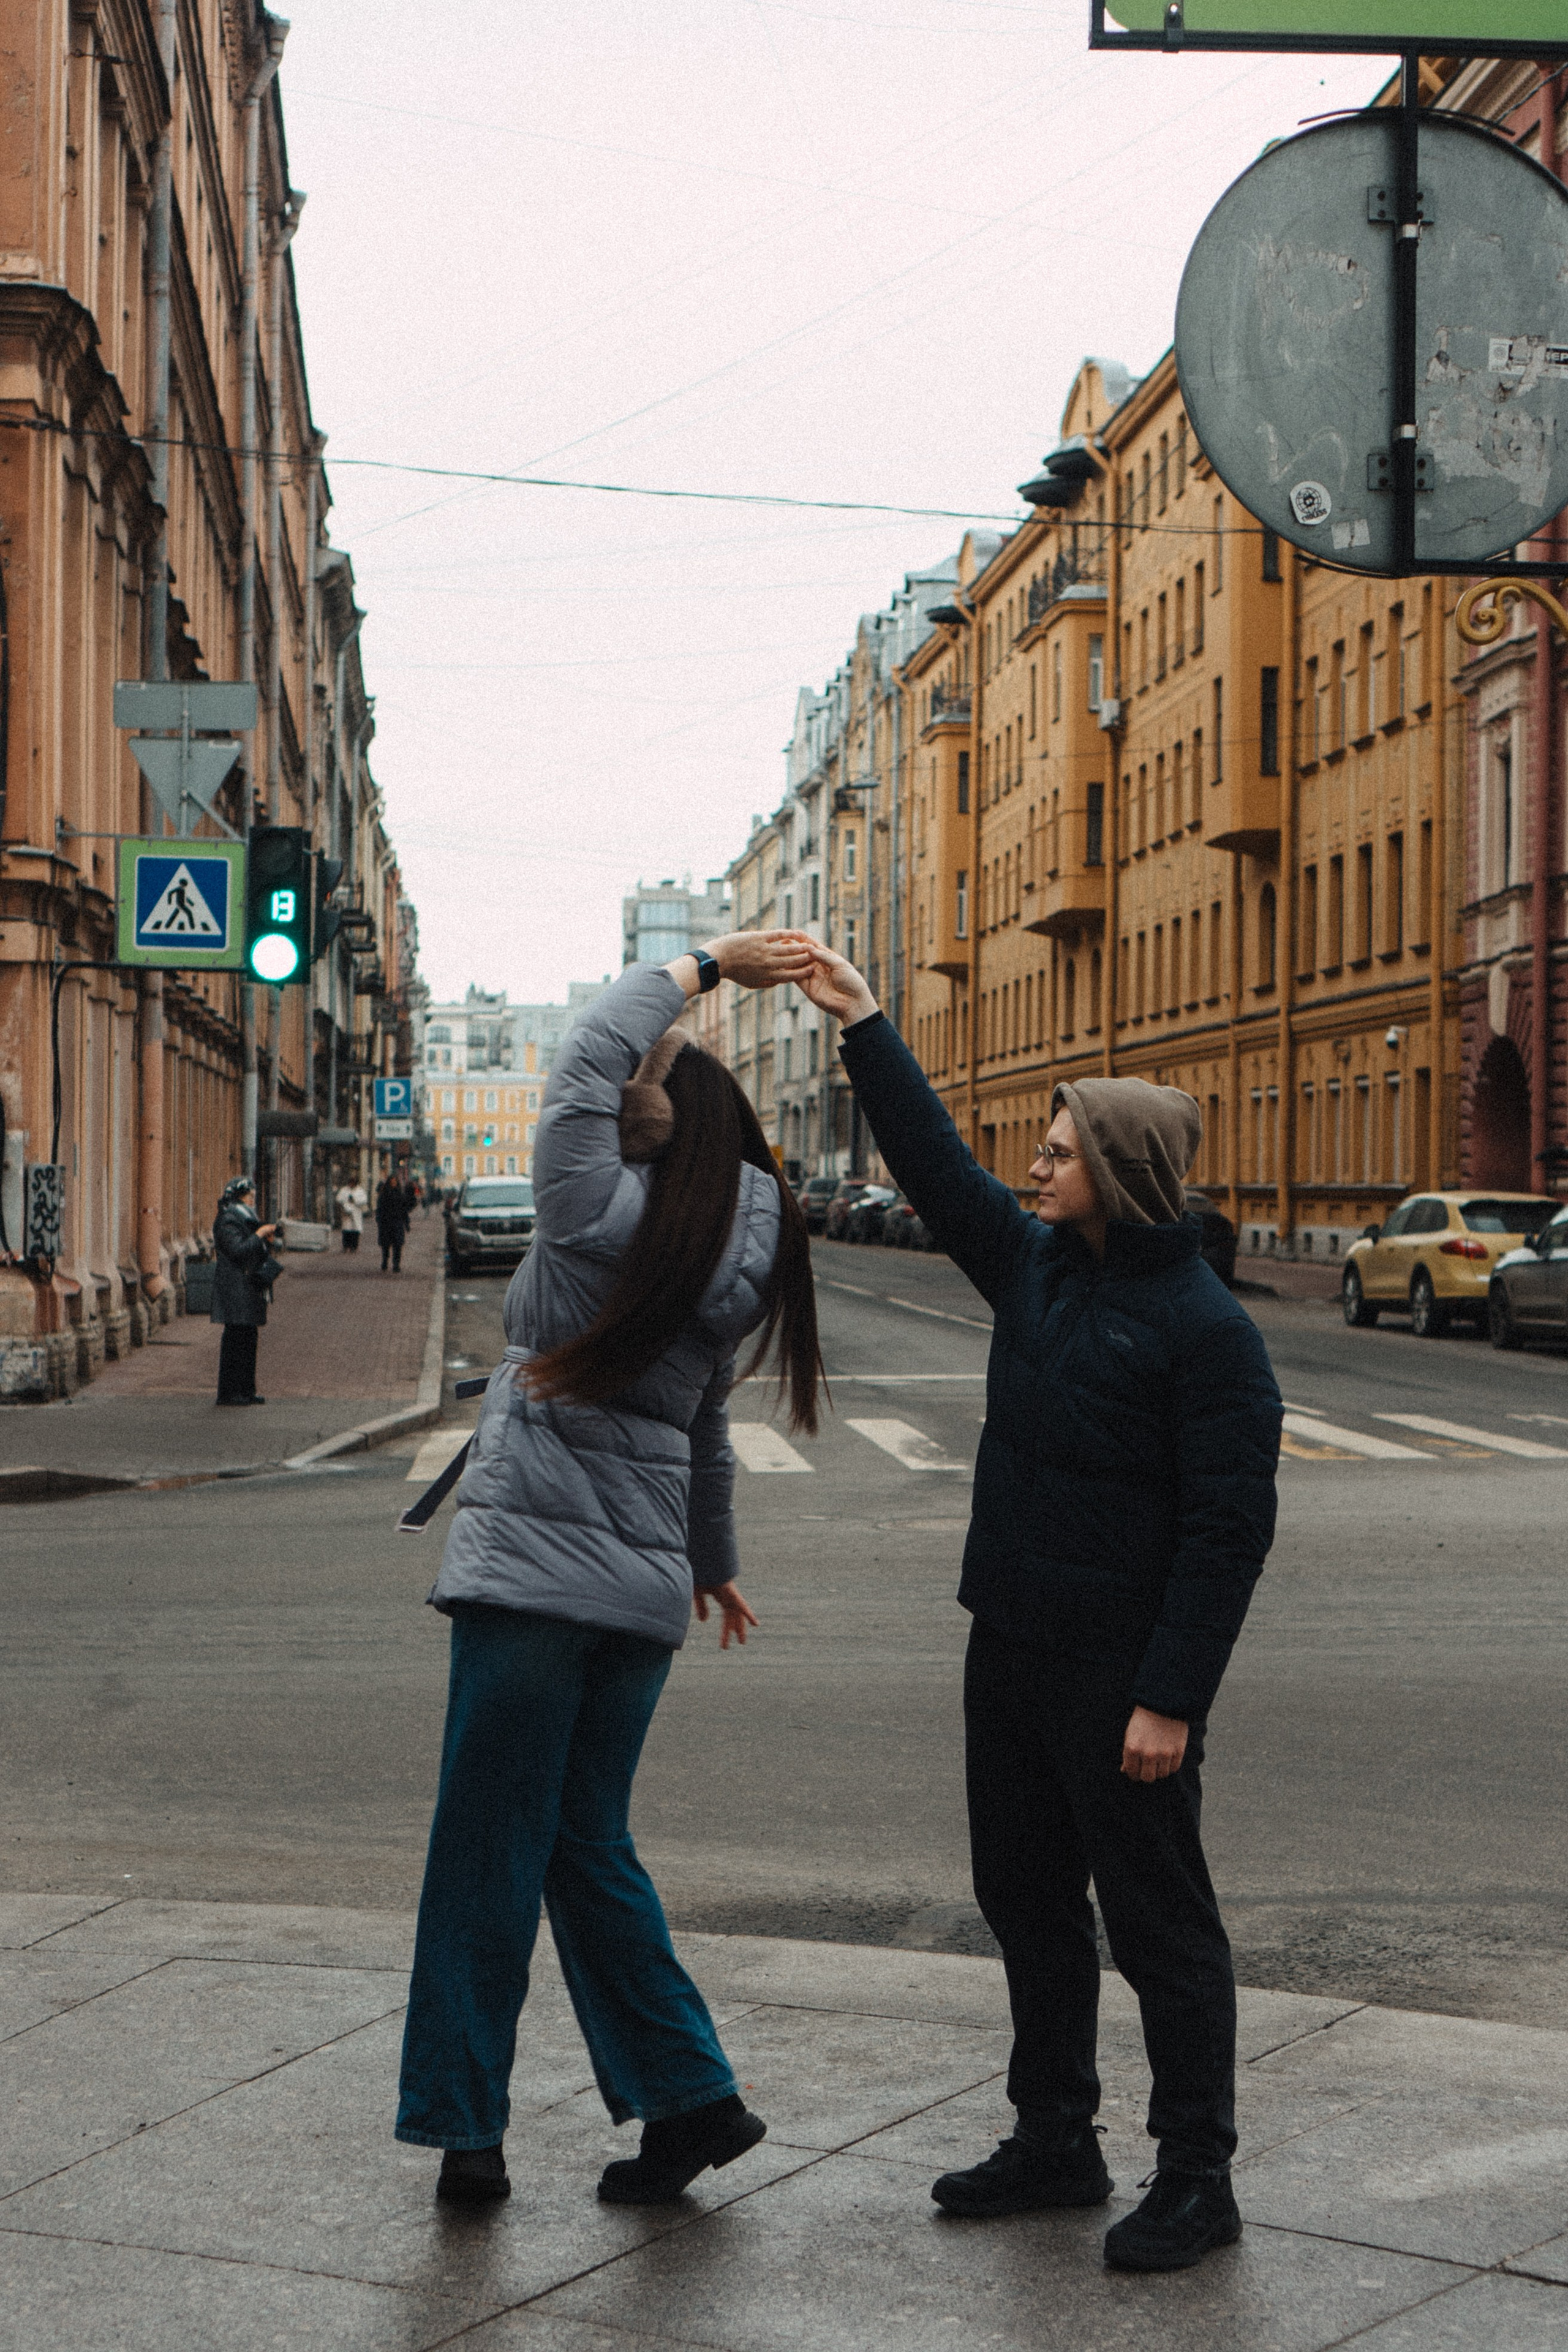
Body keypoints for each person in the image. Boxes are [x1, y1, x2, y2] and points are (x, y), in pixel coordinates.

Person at [794, 940, 1281, 2276]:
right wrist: (864, 1025)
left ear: (1115, 1172)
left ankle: (1198, 2177)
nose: (1035, 1166)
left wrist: (1169, 1697)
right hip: (1006, 1644)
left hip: (1120, 1674)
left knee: (1161, 1931)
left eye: (1058, 1151)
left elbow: (1228, 1533)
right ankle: (1055, 2137)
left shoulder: (1203, 1332)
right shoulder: (1035, 1273)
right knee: (1023, 1901)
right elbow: (939, 1174)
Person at [396, 932, 821, 2210]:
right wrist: (710, 1564)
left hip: (528, 1580)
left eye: (651, 1080)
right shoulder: (733, 1252)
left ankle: (468, 2132)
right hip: (636, 1600)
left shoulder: (588, 1208)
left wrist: (700, 966)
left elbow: (583, 1054)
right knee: (584, 1842)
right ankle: (692, 2101)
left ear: (650, 1122)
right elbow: (697, 1428)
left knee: (488, 1849)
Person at [211, 1176, 279, 1406]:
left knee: (249, 1339)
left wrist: (265, 1241)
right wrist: (259, 1235)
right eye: (250, 1196)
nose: (253, 1200)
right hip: (236, 1288)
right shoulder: (228, 1220)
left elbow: (253, 1250)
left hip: (248, 1286)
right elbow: (238, 1251)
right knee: (235, 1340)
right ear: (240, 1197)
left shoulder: (246, 1219)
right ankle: (230, 1393)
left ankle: (247, 1390)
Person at [375, 1170, 410, 1272]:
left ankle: (396, 1264)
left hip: (398, 1223)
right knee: (386, 1245)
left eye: (395, 1182)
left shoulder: (400, 1194)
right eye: (392, 1182)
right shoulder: (384, 1195)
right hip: (386, 1223)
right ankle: (385, 1261)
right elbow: (380, 1209)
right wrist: (379, 1220)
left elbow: (404, 1210)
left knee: (398, 1245)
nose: (394, 1183)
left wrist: (407, 1223)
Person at [336, 1178, 367, 1254]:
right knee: (346, 1230)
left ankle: (354, 1247)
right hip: (347, 1212)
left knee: (355, 1231)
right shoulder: (344, 1190)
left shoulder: (360, 1191)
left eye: (353, 1183)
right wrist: (345, 1201)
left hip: (356, 1212)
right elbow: (339, 1198)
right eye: (350, 1183)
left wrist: (355, 1200)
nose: (351, 1185)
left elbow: (364, 1200)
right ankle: (346, 1246)